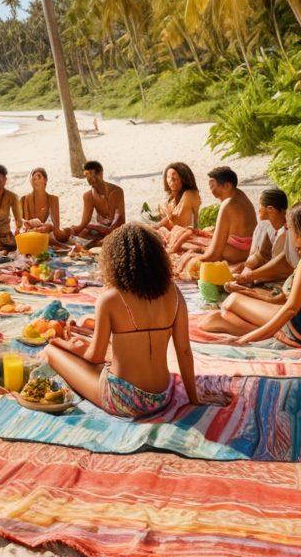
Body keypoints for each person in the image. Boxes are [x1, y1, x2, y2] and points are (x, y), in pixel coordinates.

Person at [46, 223, 217, 418]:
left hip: (123, 400)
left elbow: (95, 356)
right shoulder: (174, 293)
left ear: (115, 261)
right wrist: (193, 398)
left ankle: (57, 349)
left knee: (51, 352)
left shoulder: (109, 298)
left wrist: (63, 344)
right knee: (97, 356)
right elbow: (184, 351)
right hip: (162, 396)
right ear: (156, 259)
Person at [200, 200, 301, 349]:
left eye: (290, 229)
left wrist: (245, 339)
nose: (289, 234)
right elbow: (287, 299)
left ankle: (263, 332)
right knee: (230, 306)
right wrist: (249, 292)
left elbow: (290, 309)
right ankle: (239, 325)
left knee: (226, 307)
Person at [173, 167, 257, 279]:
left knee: (189, 256)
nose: (211, 190)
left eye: (213, 186)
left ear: (227, 186)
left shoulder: (227, 204)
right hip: (249, 249)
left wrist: (191, 261)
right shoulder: (240, 194)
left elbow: (214, 255)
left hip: (236, 254)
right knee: (196, 243)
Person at [227, 187, 297, 297]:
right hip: (268, 280)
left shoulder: (290, 230)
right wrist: (243, 274)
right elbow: (256, 258)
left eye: (260, 205)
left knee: (235, 298)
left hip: (285, 285)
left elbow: (284, 265)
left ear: (270, 209)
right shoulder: (266, 226)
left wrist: (249, 276)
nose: (258, 209)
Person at [67, 160, 125, 246]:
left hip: (116, 230)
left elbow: (114, 225)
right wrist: (72, 230)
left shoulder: (115, 191)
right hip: (100, 231)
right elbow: (84, 223)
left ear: (100, 174)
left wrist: (91, 226)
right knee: (78, 234)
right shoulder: (88, 195)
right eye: (86, 174)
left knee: (110, 239)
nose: (89, 177)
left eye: (90, 173)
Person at [152, 162, 201, 239]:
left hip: (185, 236)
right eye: (168, 177)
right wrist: (155, 226)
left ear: (183, 178)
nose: (171, 180)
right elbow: (168, 220)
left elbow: (195, 220)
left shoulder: (190, 194)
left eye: (175, 177)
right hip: (172, 234)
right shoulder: (170, 200)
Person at [19, 167, 66, 242]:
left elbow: (56, 228)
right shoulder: (23, 199)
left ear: (45, 180)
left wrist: (50, 227)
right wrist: (24, 222)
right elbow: (18, 223)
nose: (36, 181)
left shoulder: (53, 199)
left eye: (39, 177)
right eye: (33, 178)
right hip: (28, 237)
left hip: (46, 238)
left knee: (63, 235)